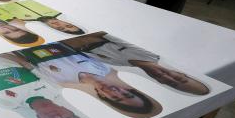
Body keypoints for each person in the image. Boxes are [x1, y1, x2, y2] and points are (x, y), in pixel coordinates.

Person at [22, 45, 161, 117]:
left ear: (103, 97)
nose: (115, 92)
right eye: (127, 95)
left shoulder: (62, 81)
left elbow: (26, 62)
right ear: (129, 89)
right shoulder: (104, 67)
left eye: (116, 98)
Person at [62, 32, 209, 95]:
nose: (170, 78)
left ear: (161, 82)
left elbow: (77, 51)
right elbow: (100, 34)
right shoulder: (148, 53)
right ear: (180, 73)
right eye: (179, 78)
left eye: (172, 83)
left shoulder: (121, 67)